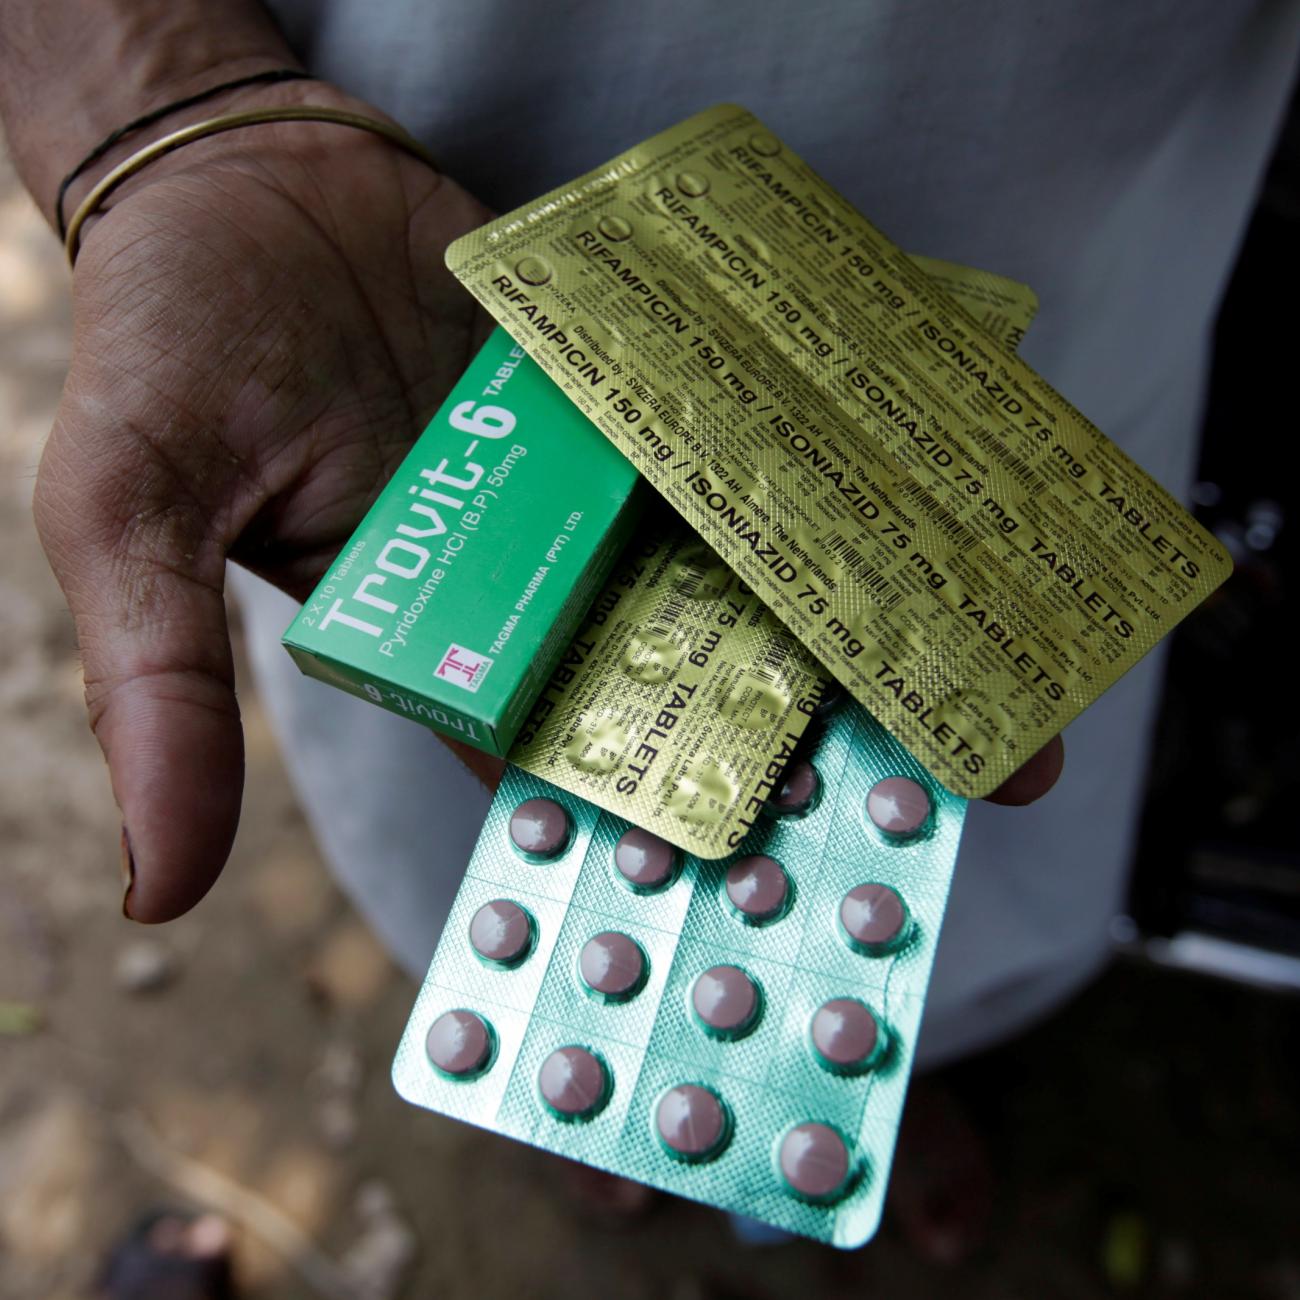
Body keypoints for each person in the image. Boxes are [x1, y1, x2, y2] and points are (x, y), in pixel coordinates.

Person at [4, 0, 1298, 1283]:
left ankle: (882, 1067)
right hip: (409, 229)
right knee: (499, 806)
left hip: (1087, 183)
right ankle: (581, 1068)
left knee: (945, 813)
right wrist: (167, 104)